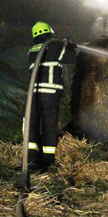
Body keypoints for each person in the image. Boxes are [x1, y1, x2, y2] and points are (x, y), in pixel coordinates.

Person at [26, 21, 76, 172]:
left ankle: (32, 158)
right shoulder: (55, 45)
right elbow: (71, 58)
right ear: (49, 32)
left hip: (33, 94)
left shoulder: (31, 50)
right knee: (49, 124)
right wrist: (69, 46)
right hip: (50, 92)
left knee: (32, 124)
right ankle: (48, 158)